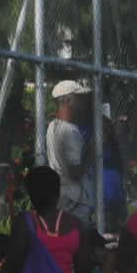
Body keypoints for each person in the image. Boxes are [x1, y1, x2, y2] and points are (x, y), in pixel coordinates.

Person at [46, 80, 93, 221]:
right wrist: (92, 148)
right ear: (67, 100)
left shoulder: (53, 126)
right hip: (74, 202)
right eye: (79, 99)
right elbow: (75, 172)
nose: (82, 104)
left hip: (62, 196)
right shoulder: (69, 130)